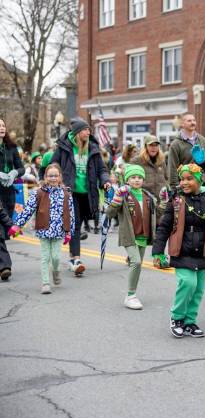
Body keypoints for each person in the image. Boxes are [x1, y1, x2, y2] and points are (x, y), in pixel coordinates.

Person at [152, 164, 205, 338]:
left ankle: (190, 321)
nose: (184, 182)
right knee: (188, 283)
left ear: (199, 180)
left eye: (189, 179)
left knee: (198, 290)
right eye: (182, 179)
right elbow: (164, 227)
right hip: (181, 250)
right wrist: (157, 252)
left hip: (202, 251)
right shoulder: (176, 200)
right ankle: (177, 317)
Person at [50, 118, 111, 276]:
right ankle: (75, 259)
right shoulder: (65, 148)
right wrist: (55, 181)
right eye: (85, 130)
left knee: (83, 222)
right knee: (75, 224)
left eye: (89, 130)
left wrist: (105, 181)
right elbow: (53, 165)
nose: (88, 132)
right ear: (77, 132)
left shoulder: (93, 148)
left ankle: (73, 251)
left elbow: (102, 170)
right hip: (71, 193)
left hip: (88, 194)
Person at [11, 163, 74, 294]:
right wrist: (17, 224)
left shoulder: (66, 193)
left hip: (59, 230)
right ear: (45, 177)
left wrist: (69, 231)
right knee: (45, 257)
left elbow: (71, 214)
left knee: (56, 257)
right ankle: (45, 283)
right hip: (43, 230)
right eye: (50, 176)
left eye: (55, 176)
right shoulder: (38, 193)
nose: (53, 178)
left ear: (60, 177)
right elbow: (28, 209)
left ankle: (56, 272)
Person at [105, 164, 157, 310]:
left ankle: (132, 293)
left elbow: (157, 212)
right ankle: (130, 296)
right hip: (129, 234)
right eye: (133, 177)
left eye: (139, 177)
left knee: (138, 264)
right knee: (137, 262)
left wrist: (165, 201)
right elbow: (110, 213)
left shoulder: (148, 196)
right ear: (127, 179)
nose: (136, 180)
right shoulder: (124, 194)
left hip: (143, 235)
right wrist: (116, 199)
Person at [167, 113, 205, 189]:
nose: (193, 123)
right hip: (184, 187)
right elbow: (173, 168)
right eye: (189, 121)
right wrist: (175, 189)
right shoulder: (176, 144)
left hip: (200, 185)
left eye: (194, 120)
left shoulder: (203, 141)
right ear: (182, 124)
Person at [0, 118, 25, 217]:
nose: (2, 128)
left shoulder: (12, 147)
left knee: (8, 225)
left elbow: (21, 169)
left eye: (3, 126)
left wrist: (14, 173)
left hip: (9, 192)